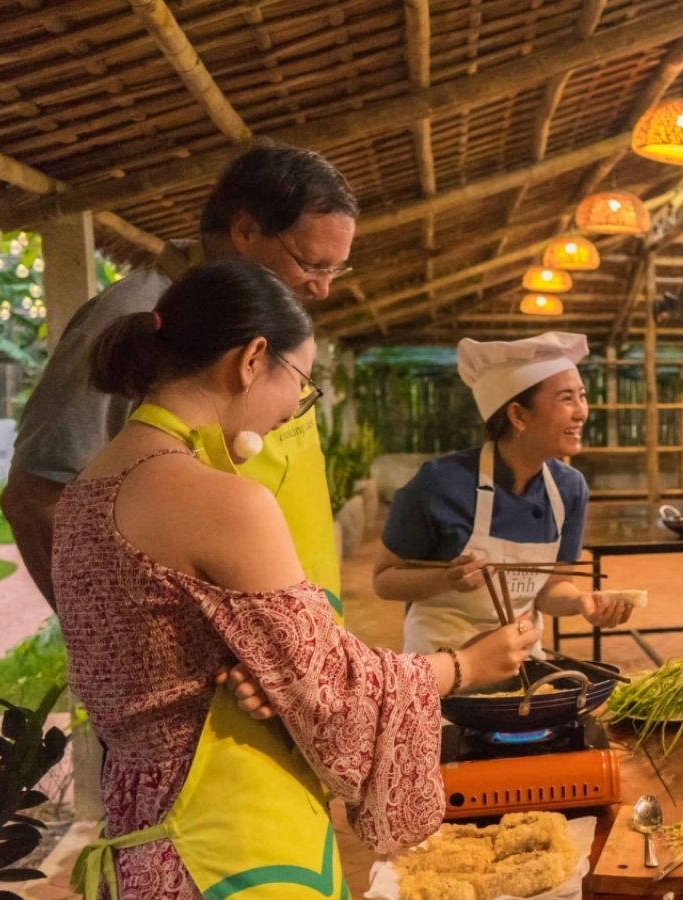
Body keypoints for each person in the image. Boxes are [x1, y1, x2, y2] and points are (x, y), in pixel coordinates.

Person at [54, 259, 538, 898]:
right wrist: (468, 666)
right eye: (301, 384)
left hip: (141, 845)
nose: (293, 412)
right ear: (252, 359)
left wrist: (272, 677)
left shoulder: (85, 492)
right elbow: (333, 689)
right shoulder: (219, 499)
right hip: (232, 848)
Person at [3, 142, 356, 614]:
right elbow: (34, 498)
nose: (323, 287)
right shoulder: (135, 314)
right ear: (246, 230)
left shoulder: (268, 322)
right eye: (311, 265)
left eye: (336, 269)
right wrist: (107, 636)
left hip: (291, 638)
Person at [373, 333, 634, 654]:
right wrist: (446, 579)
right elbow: (384, 580)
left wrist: (581, 602)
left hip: (521, 662)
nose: (582, 412)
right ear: (519, 416)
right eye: (567, 399)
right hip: (440, 664)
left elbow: (550, 588)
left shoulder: (569, 489)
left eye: (582, 396)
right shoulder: (439, 484)